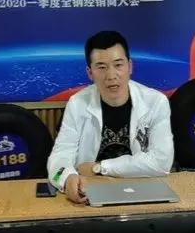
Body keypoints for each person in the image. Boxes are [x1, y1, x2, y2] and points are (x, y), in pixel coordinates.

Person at [47, 30, 174, 204]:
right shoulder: (77, 104)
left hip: (143, 189)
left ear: (130, 66)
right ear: (90, 72)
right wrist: (67, 178)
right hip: (91, 192)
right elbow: (58, 159)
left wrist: (100, 167)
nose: (111, 75)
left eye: (118, 65)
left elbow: (162, 162)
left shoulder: (155, 102)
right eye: (101, 67)